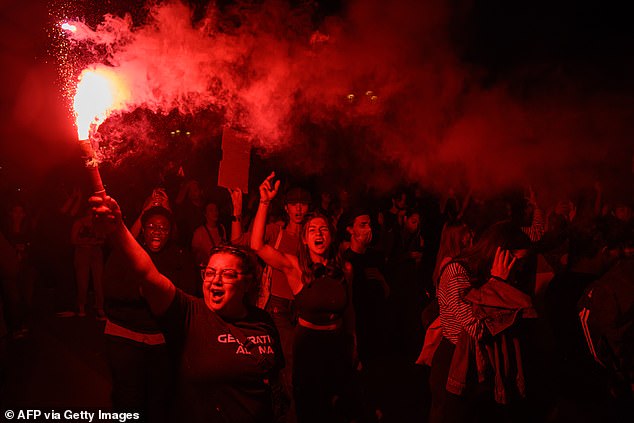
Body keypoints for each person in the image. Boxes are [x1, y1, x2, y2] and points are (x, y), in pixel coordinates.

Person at [91, 195, 284, 423]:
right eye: (210, 273)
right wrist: (119, 227)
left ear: (248, 282)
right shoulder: (192, 314)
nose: (216, 280)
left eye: (228, 274)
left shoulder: (263, 321)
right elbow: (147, 273)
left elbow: (275, 380)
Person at [251, 173, 367, 423]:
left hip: (337, 345)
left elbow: (350, 311)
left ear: (331, 236)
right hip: (308, 348)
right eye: (312, 230)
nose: (318, 233)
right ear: (304, 239)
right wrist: (263, 203)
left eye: (323, 229)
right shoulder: (296, 268)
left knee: (338, 410)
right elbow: (257, 245)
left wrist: (354, 343)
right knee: (309, 409)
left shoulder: (345, 269)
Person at [429, 221, 536, 423]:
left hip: (481, 362)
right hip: (455, 362)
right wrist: (498, 284)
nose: (520, 268)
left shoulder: (485, 273)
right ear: (500, 254)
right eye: (517, 261)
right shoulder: (457, 272)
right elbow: (476, 328)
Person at [103, 205, 198, 422]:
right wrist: (156, 294)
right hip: (124, 339)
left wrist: (147, 292)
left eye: (163, 228)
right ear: (143, 230)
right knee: (128, 400)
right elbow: (111, 288)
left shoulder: (179, 256)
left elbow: (187, 291)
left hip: (160, 343)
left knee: (159, 400)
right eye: (152, 226)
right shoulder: (126, 252)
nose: (157, 231)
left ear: (170, 232)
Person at [191, 201, 228, 267]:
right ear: (205, 214)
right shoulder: (199, 232)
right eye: (211, 210)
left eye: (216, 210)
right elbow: (195, 254)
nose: (215, 213)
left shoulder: (221, 228)